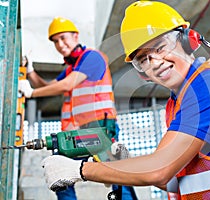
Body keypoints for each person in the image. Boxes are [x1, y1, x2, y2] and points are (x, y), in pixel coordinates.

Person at [41, 2, 210, 200]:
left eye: (160, 47)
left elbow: (159, 171)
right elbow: (177, 182)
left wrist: (80, 170)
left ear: (188, 41)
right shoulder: (177, 102)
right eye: (143, 59)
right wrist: (126, 165)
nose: (154, 62)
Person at [19, 17, 137, 200]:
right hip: (76, 131)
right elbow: (48, 86)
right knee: (58, 172)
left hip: (99, 128)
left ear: (76, 36)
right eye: (55, 41)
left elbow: (66, 85)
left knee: (116, 175)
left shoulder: (92, 57)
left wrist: (31, 93)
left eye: (63, 38)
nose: (60, 44)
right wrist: (31, 72)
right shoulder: (71, 68)